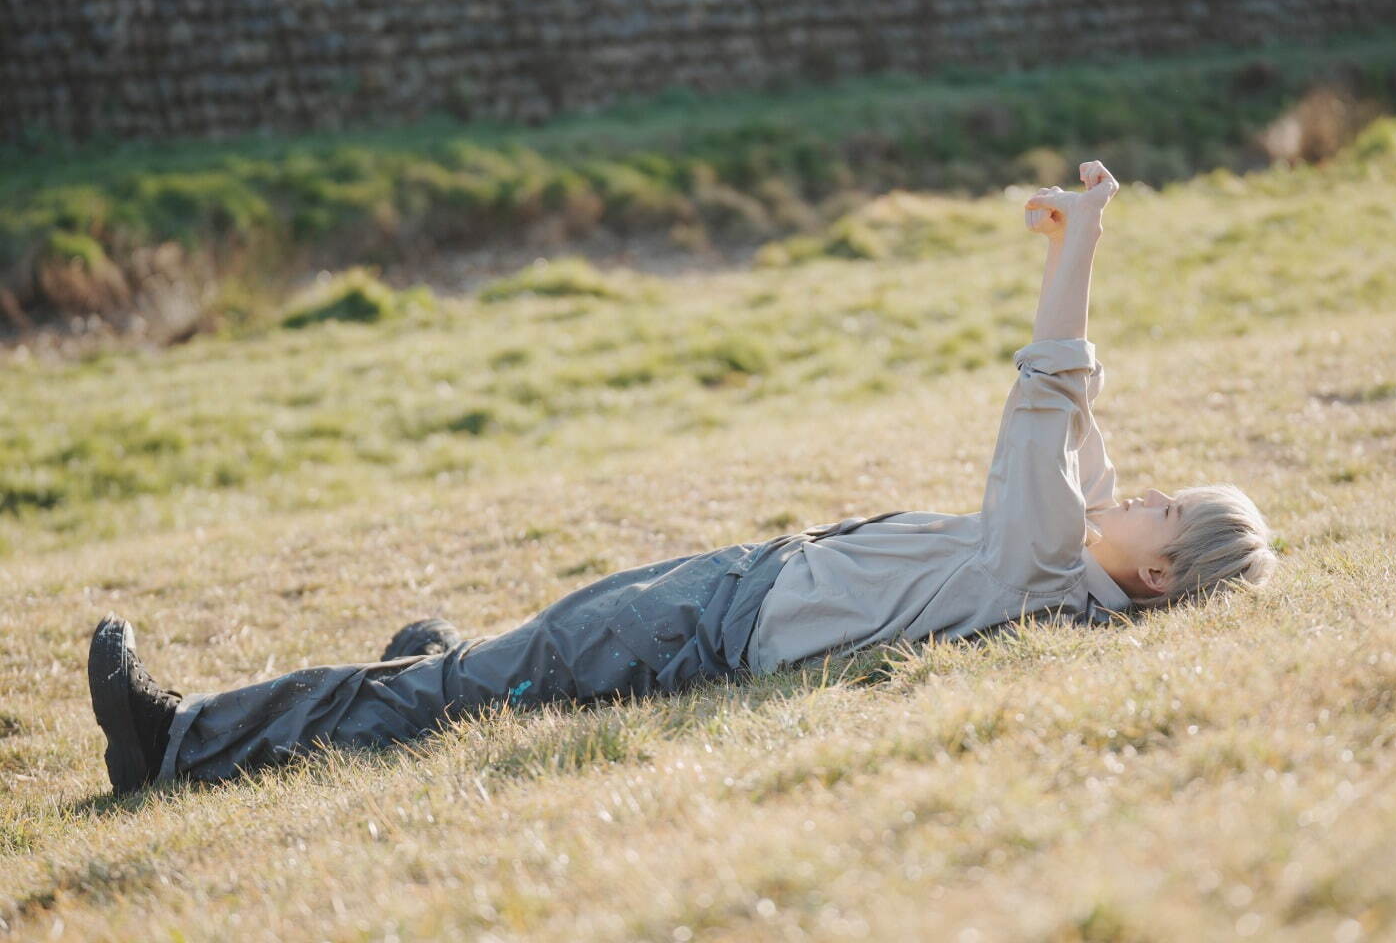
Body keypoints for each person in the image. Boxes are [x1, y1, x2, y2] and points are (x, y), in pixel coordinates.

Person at [87, 161, 1276, 795]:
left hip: (715, 620)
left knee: (464, 682)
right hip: (737, 596)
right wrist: (1087, 253)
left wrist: (1079, 242)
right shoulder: (1069, 566)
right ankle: (453, 671)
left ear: (1159, 572)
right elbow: (1084, 441)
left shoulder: (1043, 563)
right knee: (486, 667)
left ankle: (179, 742)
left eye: (1161, 507)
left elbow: (1052, 394)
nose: (1137, 488)